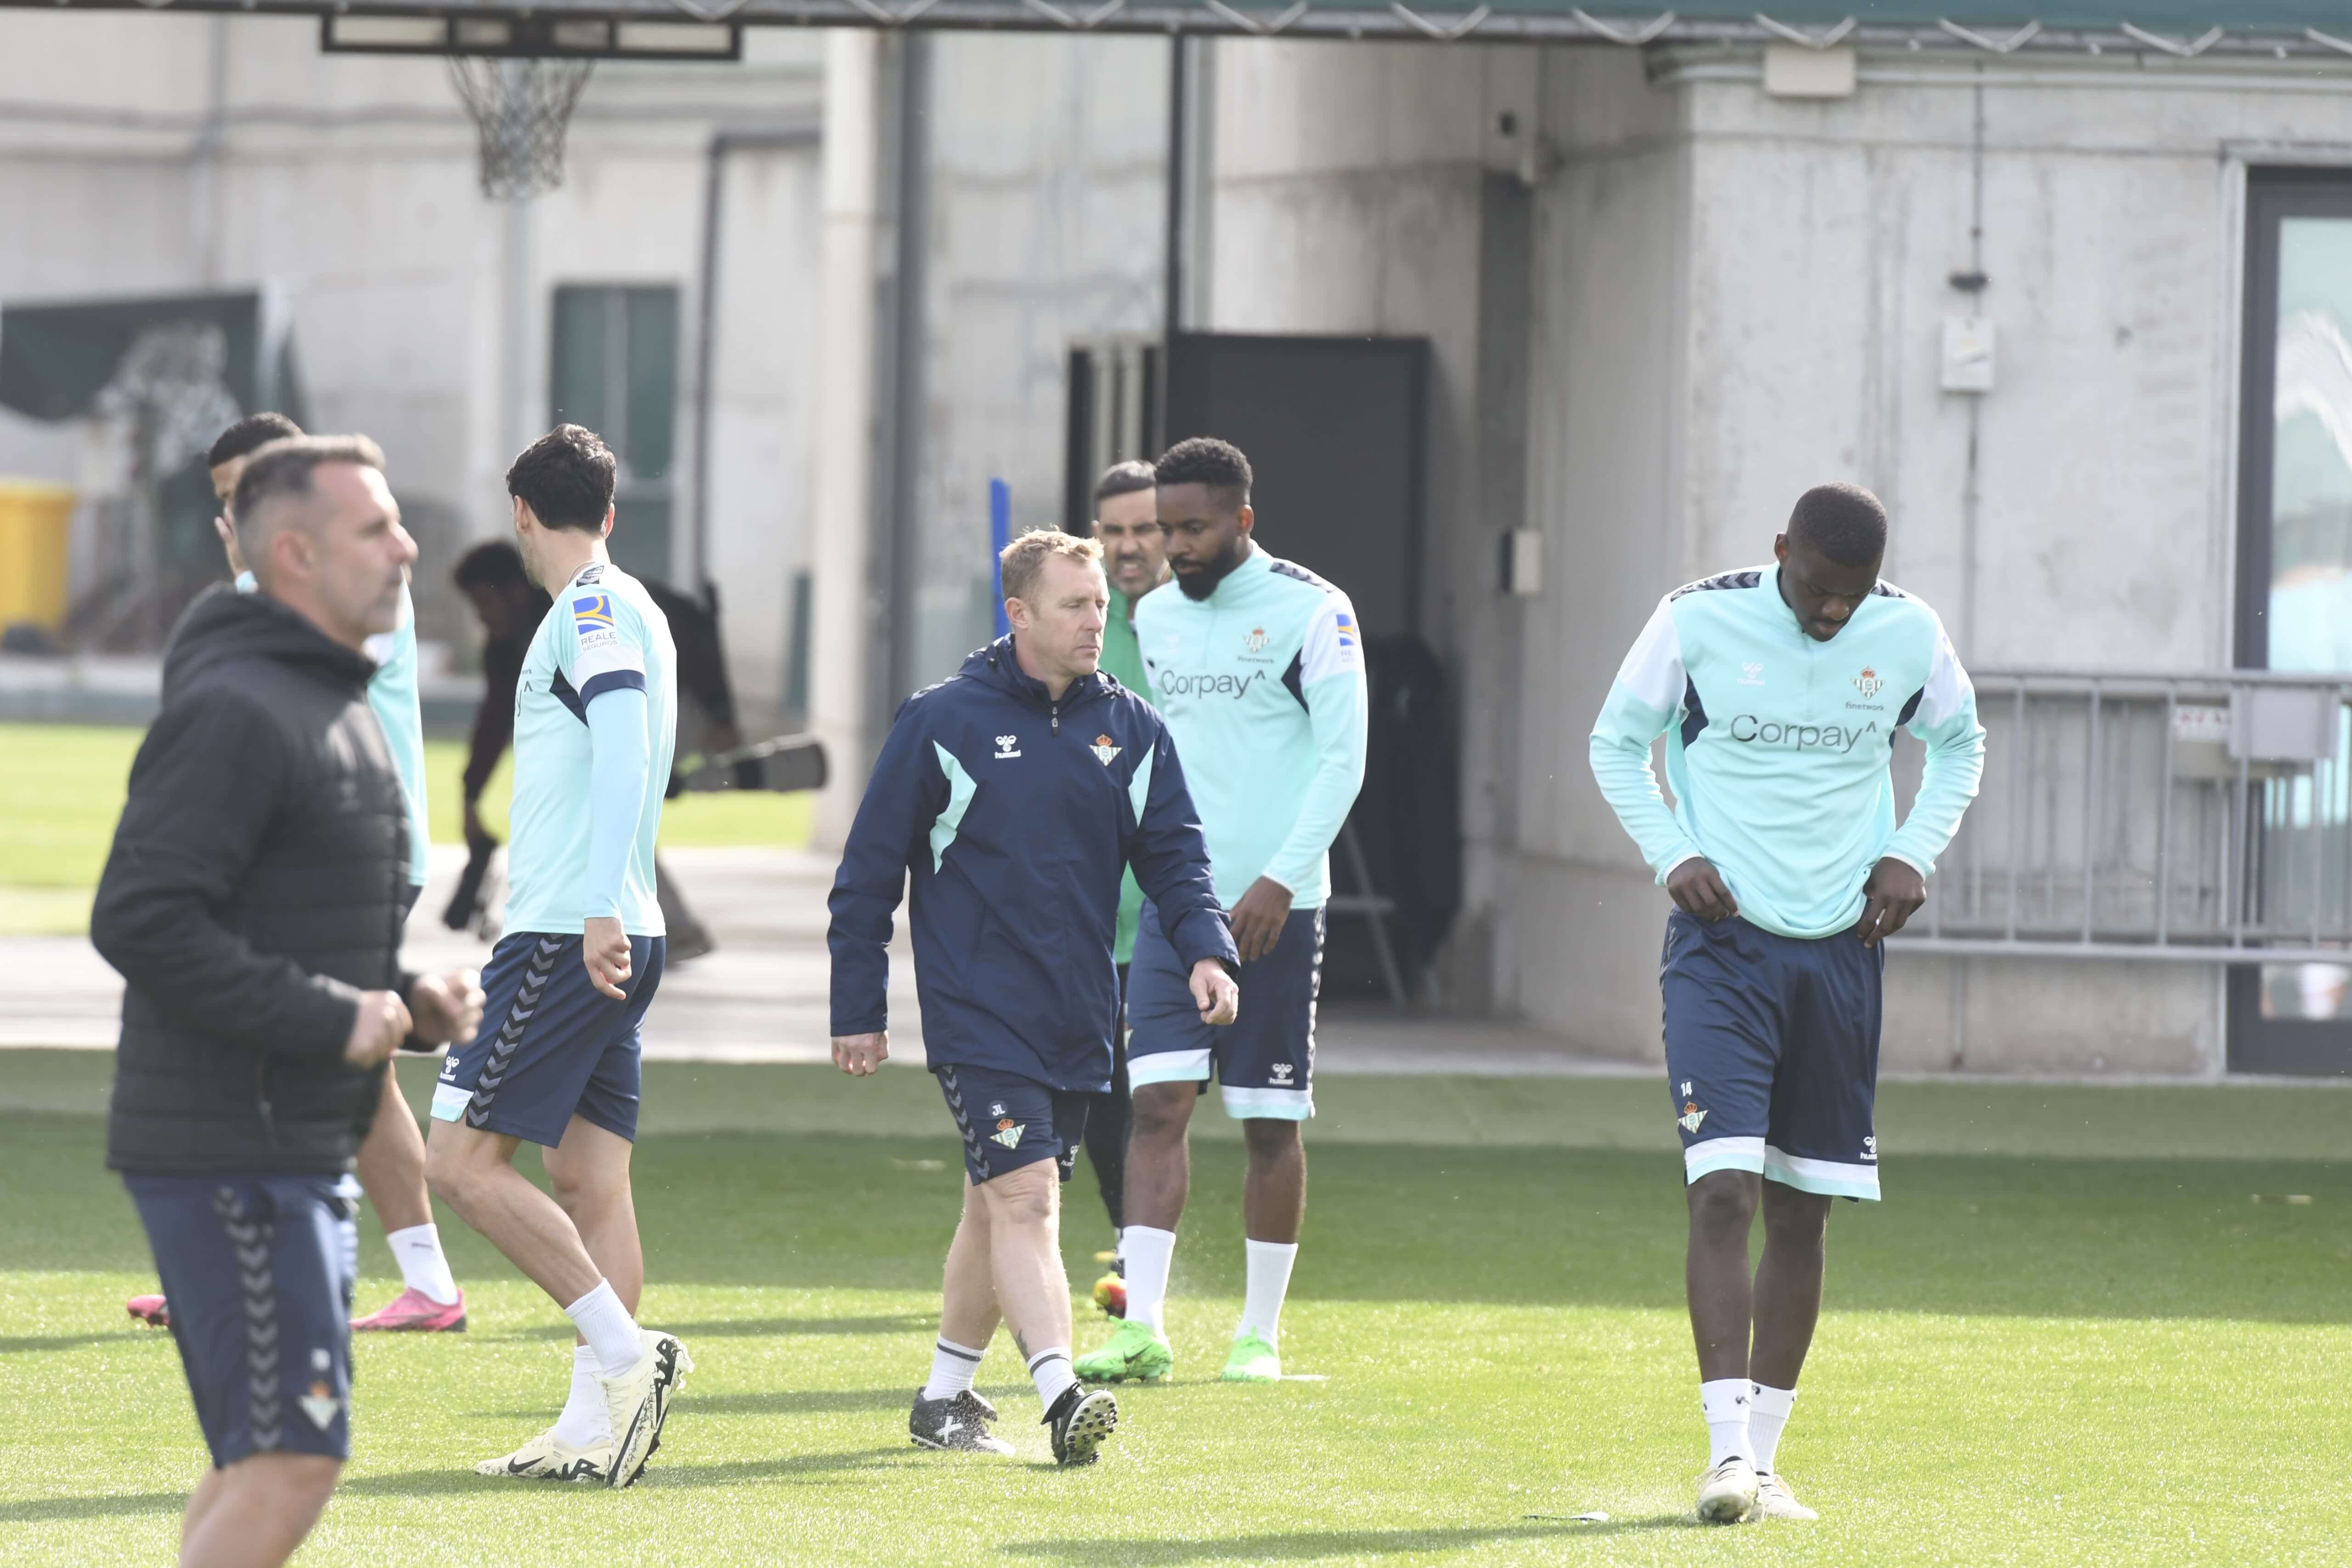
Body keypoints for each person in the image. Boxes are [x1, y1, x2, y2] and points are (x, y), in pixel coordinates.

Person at [92, 434, 485, 1568]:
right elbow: (141, 917)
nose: (406, 548)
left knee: (253, 1456)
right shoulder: (240, 706)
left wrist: (404, 996)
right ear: (296, 554)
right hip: (233, 1147)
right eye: (376, 528)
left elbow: (293, 929)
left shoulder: (333, 701)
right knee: (291, 1458)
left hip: (288, 1141)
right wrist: (334, 1017)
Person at [1587, 482, 1985, 1524]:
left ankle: (1765, 1462)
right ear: (1779, 552)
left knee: (1802, 1207)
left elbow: (1961, 743)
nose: (1831, 611)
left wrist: (1911, 850)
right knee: (1722, 1192)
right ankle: (1724, 1455)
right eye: (1815, 589)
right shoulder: (1695, 619)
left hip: (1842, 951)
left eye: (1850, 595)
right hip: (1722, 946)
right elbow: (1614, 742)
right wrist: (1673, 851)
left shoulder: (1908, 631)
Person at [827, 529, 1238, 1464]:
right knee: (1025, 1198)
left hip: (1081, 1013)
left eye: (1101, 604)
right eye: (1074, 605)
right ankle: (1061, 1393)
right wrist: (858, 1007)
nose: (1097, 620)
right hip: (976, 1010)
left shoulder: (1133, 728)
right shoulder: (942, 720)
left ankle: (944, 1395)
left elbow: (1178, 860)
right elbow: (867, 874)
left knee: (994, 1202)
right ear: (1018, 614)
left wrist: (1208, 954)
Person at [125, 412, 468, 1337]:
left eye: (251, 490)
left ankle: (395, 1277)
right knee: (341, 1059)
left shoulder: (333, 595)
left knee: (322, 1058)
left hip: (349, 853)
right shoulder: (253, 604)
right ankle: (398, 1278)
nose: (235, 510)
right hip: (309, 849)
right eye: (226, 497)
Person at [422, 425, 691, 1489]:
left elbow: (624, 741)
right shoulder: (629, 604)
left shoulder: (588, 609)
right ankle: (590, 1425)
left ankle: (629, 1357)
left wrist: (596, 905)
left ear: (523, 514)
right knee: (586, 1177)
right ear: (609, 512)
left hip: (566, 933)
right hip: (612, 928)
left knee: (457, 1163)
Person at [1076, 437, 1368, 1388]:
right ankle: (1143, 1329)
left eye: (1193, 528)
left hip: (1280, 907)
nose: (1175, 546)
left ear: (1242, 519)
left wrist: (1281, 880)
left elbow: (1344, 761)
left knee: (1268, 1121)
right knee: (1155, 1104)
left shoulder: (1315, 609)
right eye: (1166, 528)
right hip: (1180, 907)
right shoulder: (1155, 615)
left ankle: (1258, 1335)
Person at [447, 543, 726, 962]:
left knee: (607, 805)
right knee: (598, 805)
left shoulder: (581, 606)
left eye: (485, 603)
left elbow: (688, 623)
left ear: (514, 592)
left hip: (673, 701)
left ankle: (667, 928)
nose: (481, 617)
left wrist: (722, 712)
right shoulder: (506, 649)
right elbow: (494, 722)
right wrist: (471, 795)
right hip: (621, 722)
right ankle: (661, 926)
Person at [1079, 459, 1170, 1291]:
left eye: (1145, 528)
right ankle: (1129, 1240)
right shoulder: (1079, 626)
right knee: (1105, 1086)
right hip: (1093, 908)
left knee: (1163, 1089)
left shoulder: (1198, 627)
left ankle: (1148, 1242)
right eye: (1113, 530)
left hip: (1178, 903)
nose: (1129, 545)